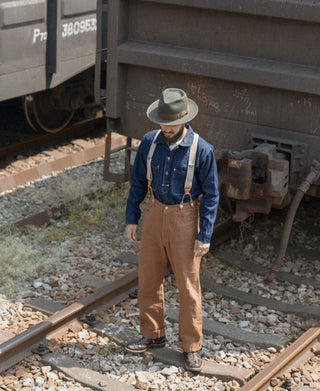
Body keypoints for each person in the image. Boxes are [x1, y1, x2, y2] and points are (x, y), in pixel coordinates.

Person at [125, 87, 219, 372]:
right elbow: (137, 181)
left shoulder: (202, 149)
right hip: (154, 214)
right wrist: (132, 217)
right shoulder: (149, 143)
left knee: (188, 286)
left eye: (171, 123)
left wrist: (205, 235)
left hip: (185, 218)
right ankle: (153, 334)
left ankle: (191, 347)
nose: (166, 128)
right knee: (149, 279)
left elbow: (212, 196)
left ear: (184, 119)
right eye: (162, 122)